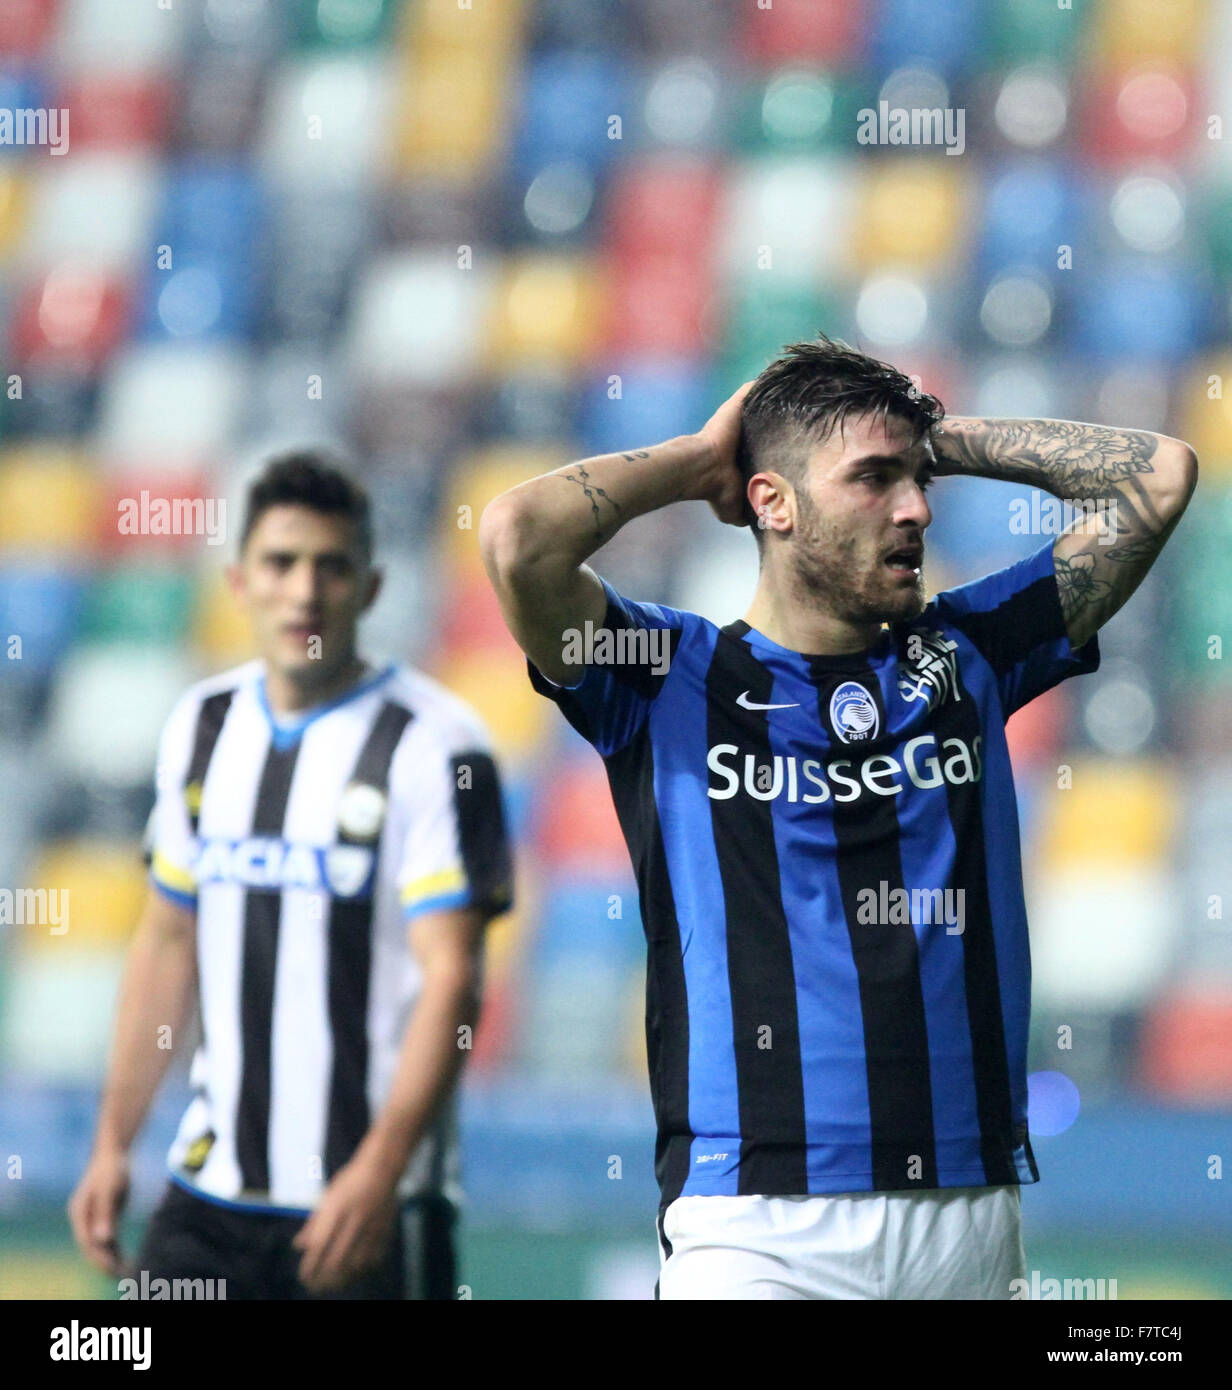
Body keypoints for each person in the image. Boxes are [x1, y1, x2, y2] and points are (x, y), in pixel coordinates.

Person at [479, 336, 1197, 1300]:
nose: (916, 509)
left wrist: (933, 436)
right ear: (772, 501)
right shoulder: (663, 675)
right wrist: (702, 459)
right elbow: (519, 535)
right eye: (873, 479)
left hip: (966, 1211)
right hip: (756, 1223)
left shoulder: (970, 651)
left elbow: (1157, 478)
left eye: (919, 481)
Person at [69, 451, 513, 1300]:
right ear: (239, 582)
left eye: (331, 566)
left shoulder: (436, 746)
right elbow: (167, 939)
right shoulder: (203, 725)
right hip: (209, 1198)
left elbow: (453, 976)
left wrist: (379, 1173)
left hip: (369, 1204)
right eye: (281, 563)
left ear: (372, 588)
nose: (304, 591)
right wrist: (112, 1142)